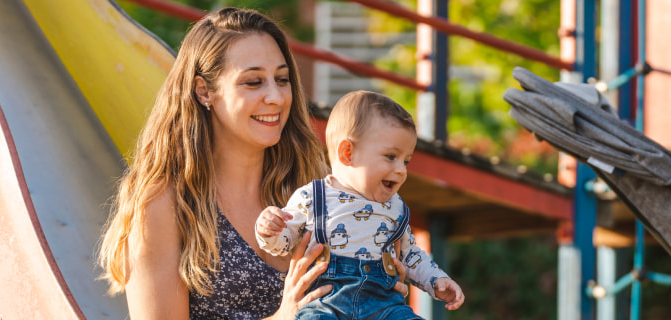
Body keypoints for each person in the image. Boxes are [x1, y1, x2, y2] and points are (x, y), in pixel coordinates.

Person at [96, 8, 406, 319]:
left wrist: (380, 292)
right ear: (204, 91)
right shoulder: (164, 203)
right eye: (254, 82)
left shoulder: (318, 183)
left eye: (282, 79)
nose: (276, 97)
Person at [255, 91, 465, 319]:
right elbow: (284, 242)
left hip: (384, 306)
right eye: (391, 156)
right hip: (325, 303)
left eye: (406, 161)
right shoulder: (312, 197)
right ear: (348, 153)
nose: (401, 170)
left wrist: (437, 279)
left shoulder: (395, 207)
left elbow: (410, 254)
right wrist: (269, 230)